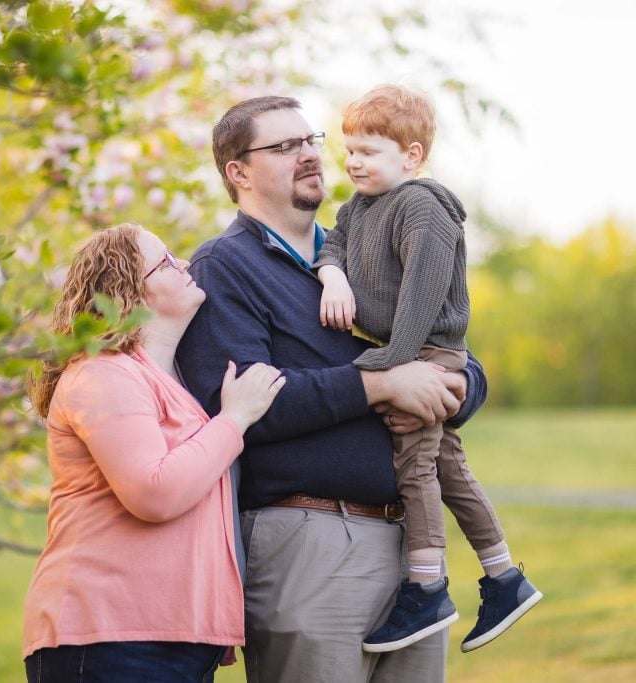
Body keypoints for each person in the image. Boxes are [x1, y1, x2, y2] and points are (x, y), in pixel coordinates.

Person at [174, 95, 486, 683]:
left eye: (310, 140)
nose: (309, 155)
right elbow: (246, 411)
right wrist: (382, 384)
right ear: (237, 172)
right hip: (311, 540)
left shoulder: (365, 243)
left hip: (411, 550)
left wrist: (458, 387)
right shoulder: (224, 266)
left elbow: (451, 350)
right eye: (284, 145)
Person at [313, 84, 541, 654]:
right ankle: (505, 579)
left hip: (427, 351)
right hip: (402, 352)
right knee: (449, 470)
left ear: (411, 157)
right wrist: (332, 276)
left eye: (368, 150)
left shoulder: (422, 206)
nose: (353, 160)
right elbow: (332, 246)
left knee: (415, 468)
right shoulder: (356, 208)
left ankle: (427, 588)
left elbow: (422, 293)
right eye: (349, 149)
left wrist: (392, 363)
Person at [22, 223, 287, 682]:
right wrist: (235, 419)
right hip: (107, 637)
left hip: (166, 640)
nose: (185, 265)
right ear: (128, 292)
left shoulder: (168, 381)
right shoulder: (104, 373)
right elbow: (154, 493)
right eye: (166, 262)